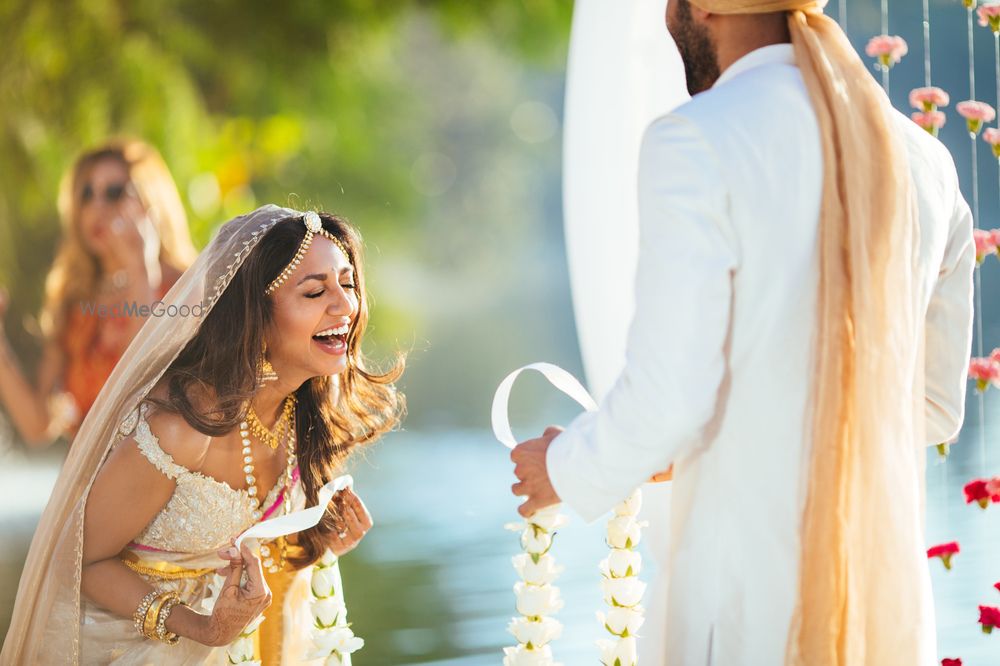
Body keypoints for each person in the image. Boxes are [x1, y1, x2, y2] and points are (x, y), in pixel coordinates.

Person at [510, 1, 974, 664]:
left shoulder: (697, 138)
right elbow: (931, 409)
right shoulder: (926, 161)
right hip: (883, 613)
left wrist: (563, 467)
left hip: (746, 614)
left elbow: (669, 398)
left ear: (699, 7)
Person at [1, 206, 404, 664]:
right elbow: (78, 561)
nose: (346, 305)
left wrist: (315, 548)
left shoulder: (305, 410)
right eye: (315, 291)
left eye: (348, 283)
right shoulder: (185, 428)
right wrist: (202, 627)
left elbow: (254, 564)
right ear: (256, 315)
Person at [0, 138, 196, 446]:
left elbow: (140, 387)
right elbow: (38, 425)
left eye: (114, 192)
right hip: (92, 487)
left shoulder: (186, 288)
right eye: (86, 194)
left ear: (149, 202)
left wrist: (140, 269)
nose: (97, 207)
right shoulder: (76, 301)